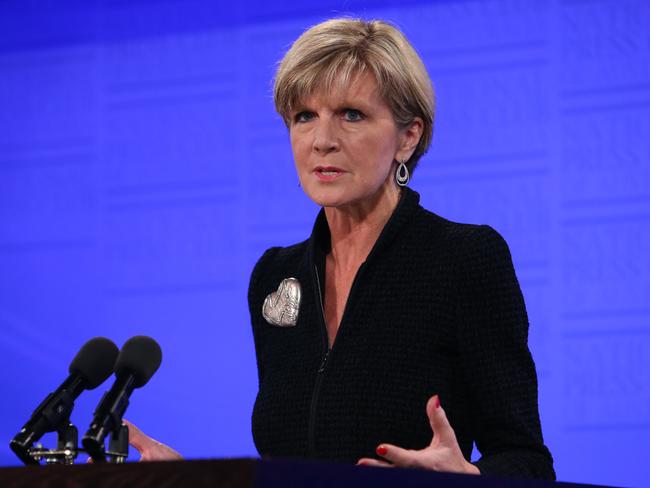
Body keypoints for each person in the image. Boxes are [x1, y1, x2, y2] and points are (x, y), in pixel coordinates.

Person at [130, 18, 555, 480]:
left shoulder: (464, 259)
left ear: (408, 137)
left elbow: (528, 462)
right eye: (303, 116)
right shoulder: (275, 275)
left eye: (351, 114)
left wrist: (469, 479)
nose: (321, 140)